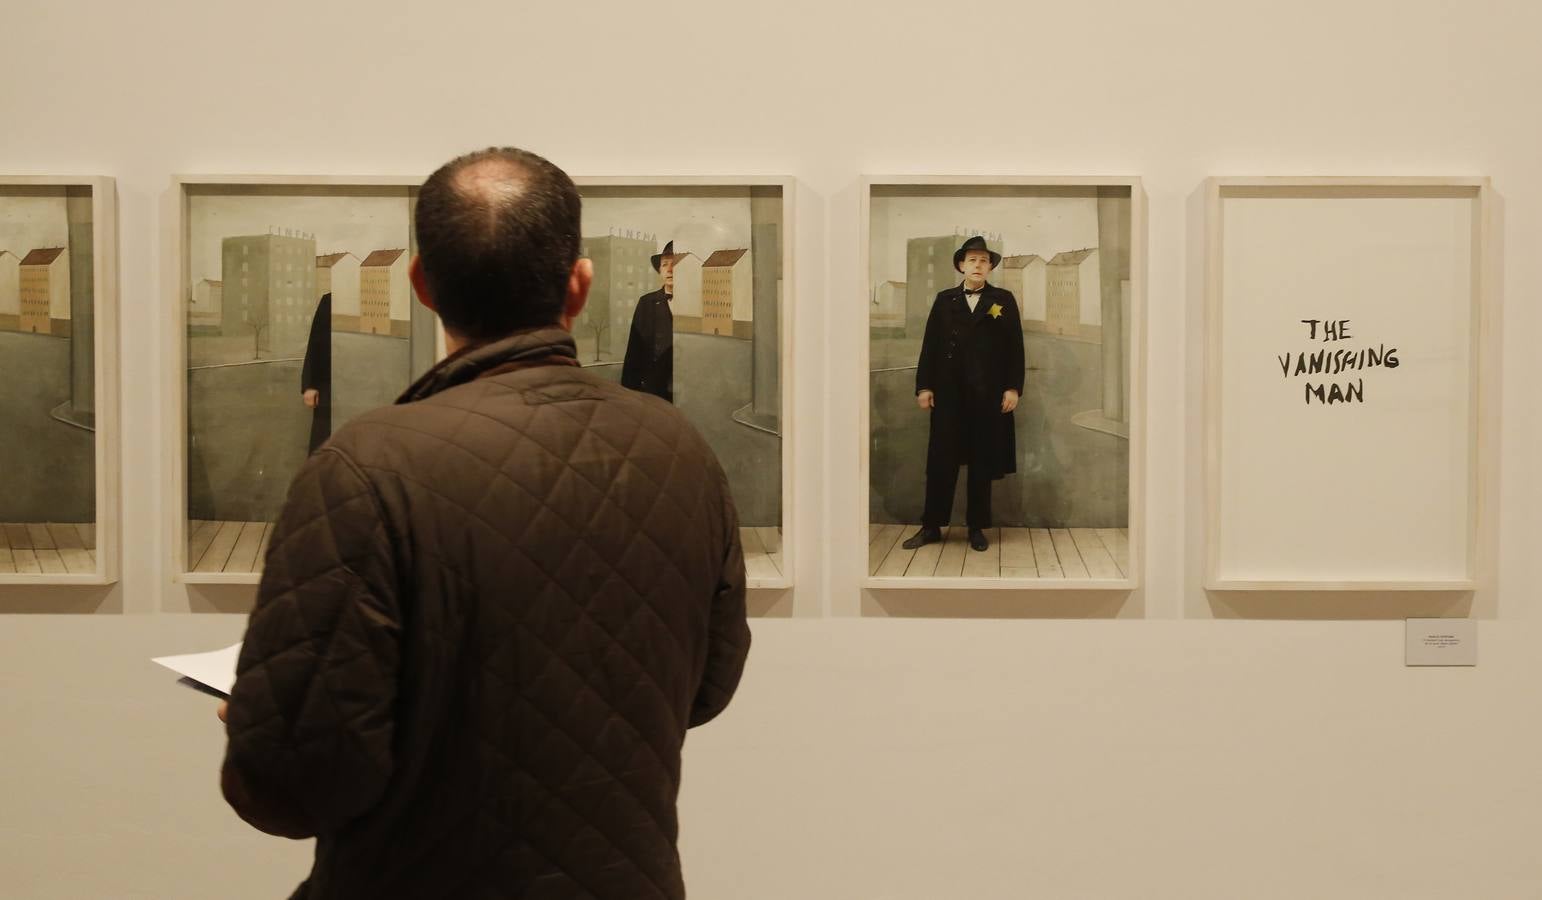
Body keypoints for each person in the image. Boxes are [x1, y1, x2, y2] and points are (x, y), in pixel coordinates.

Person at [218, 147, 751, 900]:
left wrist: (256, 717)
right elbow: (708, 688)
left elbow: (291, 785)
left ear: (421, 285)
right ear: (579, 284)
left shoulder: (365, 468)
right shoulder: (680, 451)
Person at [901, 235, 1025, 553]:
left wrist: (1012, 387)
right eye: (972, 260)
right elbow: (930, 346)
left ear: (990, 267)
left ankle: (976, 528)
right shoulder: (944, 300)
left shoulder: (1003, 300)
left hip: (988, 396)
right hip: (949, 395)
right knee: (941, 460)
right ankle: (931, 527)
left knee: (982, 462)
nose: (978, 265)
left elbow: (1015, 349)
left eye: (984, 260)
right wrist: (925, 386)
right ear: (961, 265)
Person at [619, 239, 676, 402]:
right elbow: (634, 351)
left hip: (686, 394)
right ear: (659, 270)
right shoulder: (647, 303)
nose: (670, 270)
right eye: (665, 264)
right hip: (654, 395)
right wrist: (628, 396)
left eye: (675, 264)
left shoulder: (694, 305)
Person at [299, 291, 331, 454]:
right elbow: (316, 343)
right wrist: (309, 385)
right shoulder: (329, 300)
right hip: (328, 389)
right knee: (322, 448)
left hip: (363, 388)